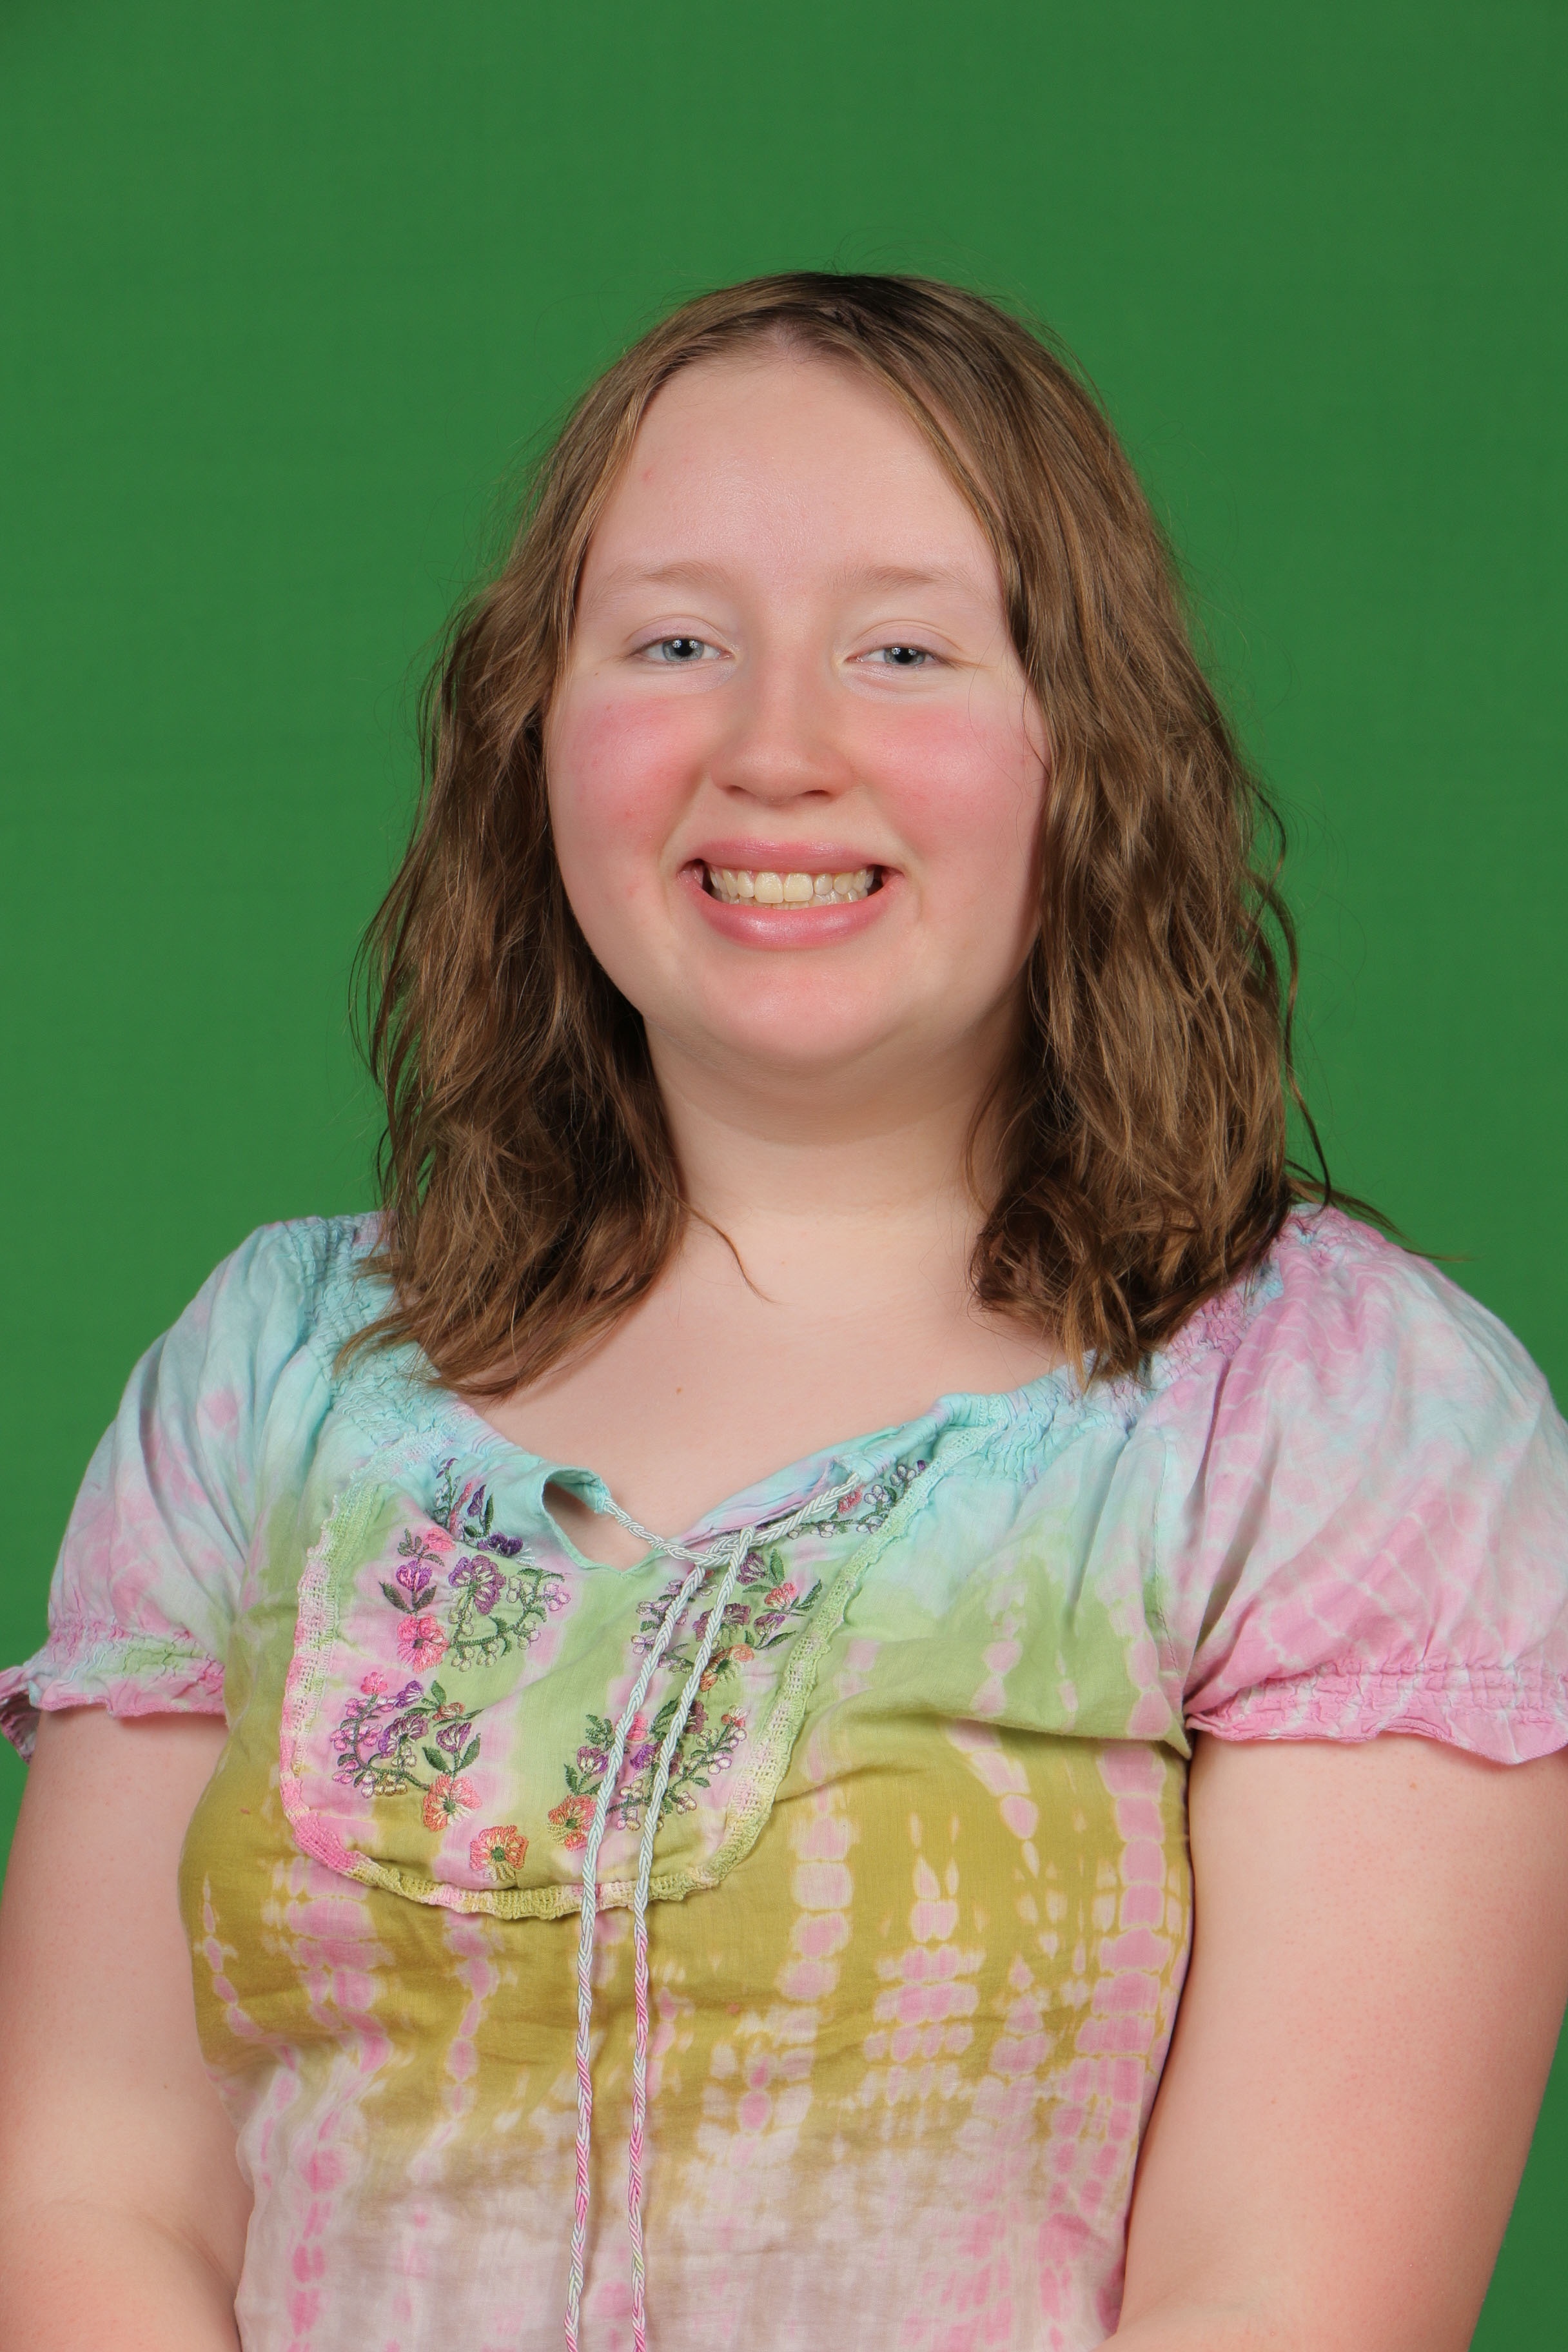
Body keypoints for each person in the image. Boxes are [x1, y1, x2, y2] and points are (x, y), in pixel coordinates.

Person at [1, 272, 1565, 2352]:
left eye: (902, 650)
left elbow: (1283, 2305)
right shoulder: (271, 1379)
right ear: (534, 732)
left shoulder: (1341, 1421)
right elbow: (91, 2196)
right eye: (675, 644)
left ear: (1085, 745)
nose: (775, 751)